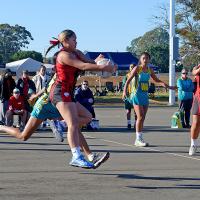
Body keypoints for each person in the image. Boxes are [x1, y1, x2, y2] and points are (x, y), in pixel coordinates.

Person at [45, 29, 116, 168]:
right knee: (73, 124)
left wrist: (105, 65)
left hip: (69, 92)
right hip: (60, 91)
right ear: (65, 42)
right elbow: (82, 66)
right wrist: (102, 67)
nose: (76, 42)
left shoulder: (77, 53)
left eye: (76, 39)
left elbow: (89, 62)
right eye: (73, 39)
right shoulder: (64, 55)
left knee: (88, 116)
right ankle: (76, 156)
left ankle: (60, 124)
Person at [122, 52, 176, 147]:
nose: (145, 60)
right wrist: (124, 91)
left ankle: (139, 137)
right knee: (140, 116)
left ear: (149, 60)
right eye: (143, 58)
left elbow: (156, 80)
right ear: (140, 59)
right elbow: (128, 80)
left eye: (147, 58)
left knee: (142, 118)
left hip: (144, 95)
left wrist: (168, 86)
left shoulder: (149, 70)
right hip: (136, 95)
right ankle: (138, 139)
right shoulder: (137, 68)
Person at [189, 64, 200, 156]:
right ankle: (193, 144)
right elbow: (194, 72)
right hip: (198, 98)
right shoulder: (198, 68)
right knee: (195, 123)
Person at [122, 64, 137, 130]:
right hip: (128, 96)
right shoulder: (127, 76)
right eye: (131, 67)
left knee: (136, 111)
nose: (132, 68)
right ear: (129, 68)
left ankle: (136, 124)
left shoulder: (137, 76)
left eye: (133, 67)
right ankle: (129, 123)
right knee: (128, 111)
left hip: (136, 96)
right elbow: (123, 85)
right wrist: (124, 93)